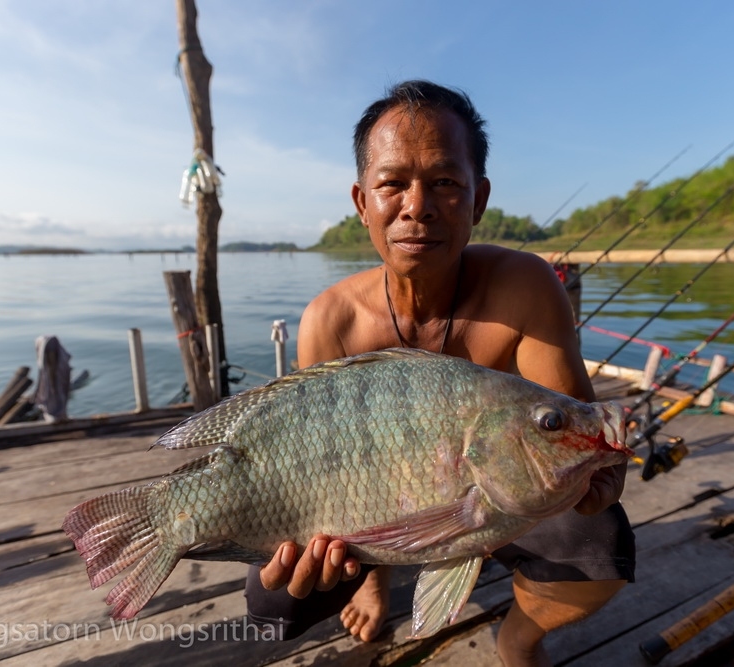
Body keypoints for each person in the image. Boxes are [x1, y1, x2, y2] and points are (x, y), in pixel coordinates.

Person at [245, 80, 634, 667]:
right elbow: (319, 460)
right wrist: (352, 556)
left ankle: (520, 637)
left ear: (478, 199)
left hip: (500, 494)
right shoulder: (329, 319)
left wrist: (599, 466)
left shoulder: (527, 286)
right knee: (275, 602)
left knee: (600, 547)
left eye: (446, 183)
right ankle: (376, 582)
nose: (417, 205)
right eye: (392, 183)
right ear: (362, 202)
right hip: (376, 507)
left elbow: (572, 426)